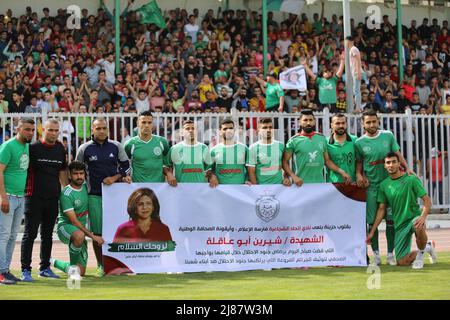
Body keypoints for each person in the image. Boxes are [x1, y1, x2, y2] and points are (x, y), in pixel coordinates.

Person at [355, 109, 413, 266]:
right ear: (363, 124)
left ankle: (389, 254)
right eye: (368, 122)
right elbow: (359, 163)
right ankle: (376, 256)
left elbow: (398, 154)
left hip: (391, 186)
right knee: (372, 222)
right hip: (372, 188)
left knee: (391, 221)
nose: (371, 124)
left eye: (374, 121)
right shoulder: (359, 143)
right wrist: (360, 175)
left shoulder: (388, 135)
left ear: (378, 121)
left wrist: (407, 168)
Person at [76, 118, 131, 277]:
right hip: (94, 196)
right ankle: (101, 265)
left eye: (104, 128)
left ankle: (118, 265)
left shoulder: (116, 146)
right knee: (98, 234)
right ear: (92, 130)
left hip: (115, 196)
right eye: (98, 128)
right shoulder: (84, 148)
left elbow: (127, 167)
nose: (101, 131)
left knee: (117, 232)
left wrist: (114, 178)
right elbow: (77, 170)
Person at [366, 152, 437, 269]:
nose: (391, 165)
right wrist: (372, 232)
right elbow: (381, 210)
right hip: (399, 225)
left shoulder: (411, 179)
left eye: (394, 162)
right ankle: (427, 247)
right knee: (402, 262)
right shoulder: (384, 185)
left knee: (418, 226)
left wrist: (422, 217)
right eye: (388, 162)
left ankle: (420, 255)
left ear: (399, 163)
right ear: (384, 165)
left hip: (414, 218)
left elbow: (427, 200)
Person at [20, 119, 68, 282]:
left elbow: (62, 172)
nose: (54, 133)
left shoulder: (60, 148)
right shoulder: (32, 148)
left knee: (47, 235)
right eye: (50, 130)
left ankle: (45, 268)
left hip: (53, 198)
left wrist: (66, 193)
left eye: (56, 131)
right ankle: (25, 269)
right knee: (30, 234)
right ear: (43, 130)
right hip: (33, 198)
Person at [51, 161, 104, 278]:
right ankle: (73, 272)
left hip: (80, 231)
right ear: (69, 175)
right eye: (75, 174)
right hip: (65, 228)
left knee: (82, 272)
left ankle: (52, 261)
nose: (79, 176)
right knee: (79, 235)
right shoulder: (66, 193)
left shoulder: (86, 188)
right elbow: (74, 221)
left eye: (81, 173)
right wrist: (94, 237)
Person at [0, 118, 35, 285]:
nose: (30, 132)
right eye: (27, 129)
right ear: (18, 129)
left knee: (13, 236)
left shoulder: (27, 146)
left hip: (21, 197)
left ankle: (5, 270)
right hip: (7, 196)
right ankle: (0, 272)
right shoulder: (8, 146)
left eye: (32, 130)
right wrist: (3, 197)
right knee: (3, 235)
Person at [282, 110, 351, 186]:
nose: (308, 123)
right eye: (305, 120)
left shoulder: (321, 138)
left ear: (314, 121)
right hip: (300, 184)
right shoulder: (293, 140)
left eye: (311, 120)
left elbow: (327, 161)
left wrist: (342, 172)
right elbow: (284, 162)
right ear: (299, 122)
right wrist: (293, 176)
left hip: (319, 185)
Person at [124, 111, 176, 186]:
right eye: (143, 122)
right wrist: (126, 175)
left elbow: (167, 163)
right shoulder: (130, 144)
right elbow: (125, 164)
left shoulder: (162, 142)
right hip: (138, 187)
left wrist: (169, 173)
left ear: (152, 124)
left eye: (149, 122)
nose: (147, 125)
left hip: (159, 188)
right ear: (138, 123)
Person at [167, 120, 217, 186]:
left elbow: (208, 169)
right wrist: (169, 174)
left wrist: (212, 176)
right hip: (180, 189)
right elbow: (167, 166)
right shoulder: (174, 149)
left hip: (200, 188)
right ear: (182, 132)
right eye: (187, 128)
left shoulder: (204, 148)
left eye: (193, 128)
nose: (191, 130)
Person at [247, 118, 291, 186]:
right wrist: (256, 188)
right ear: (259, 130)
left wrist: (286, 178)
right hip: (261, 188)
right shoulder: (253, 148)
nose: (268, 130)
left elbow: (285, 166)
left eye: (270, 127)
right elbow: (251, 171)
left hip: (279, 188)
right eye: (264, 128)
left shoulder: (281, 145)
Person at [210, 118, 249, 184]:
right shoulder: (213, 150)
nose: (228, 131)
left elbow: (250, 169)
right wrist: (212, 176)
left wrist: (247, 180)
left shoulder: (244, 148)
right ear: (220, 131)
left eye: (231, 128)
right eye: (225, 129)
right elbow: (209, 170)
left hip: (241, 189)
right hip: (221, 190)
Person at [326, 114, 357, 183]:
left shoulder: (354, 140)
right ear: (331, 125)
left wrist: (359, 175)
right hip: (333, 184)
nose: (341, 126)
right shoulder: (326, 142)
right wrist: (341, 172)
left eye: (343, 123)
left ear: (346, 124)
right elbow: (327, 161)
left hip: (353, 183)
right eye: (337, 123)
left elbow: (359, 160)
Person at [346, 36, 363, 111]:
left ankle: (358, 108)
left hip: (356, 72)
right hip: (355, 72)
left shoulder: (353, 49)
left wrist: (358, 72)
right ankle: (357, 107)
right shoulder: (351, 50)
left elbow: (358, 60)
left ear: (350, 41)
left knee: (356, 90)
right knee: (355, 90)